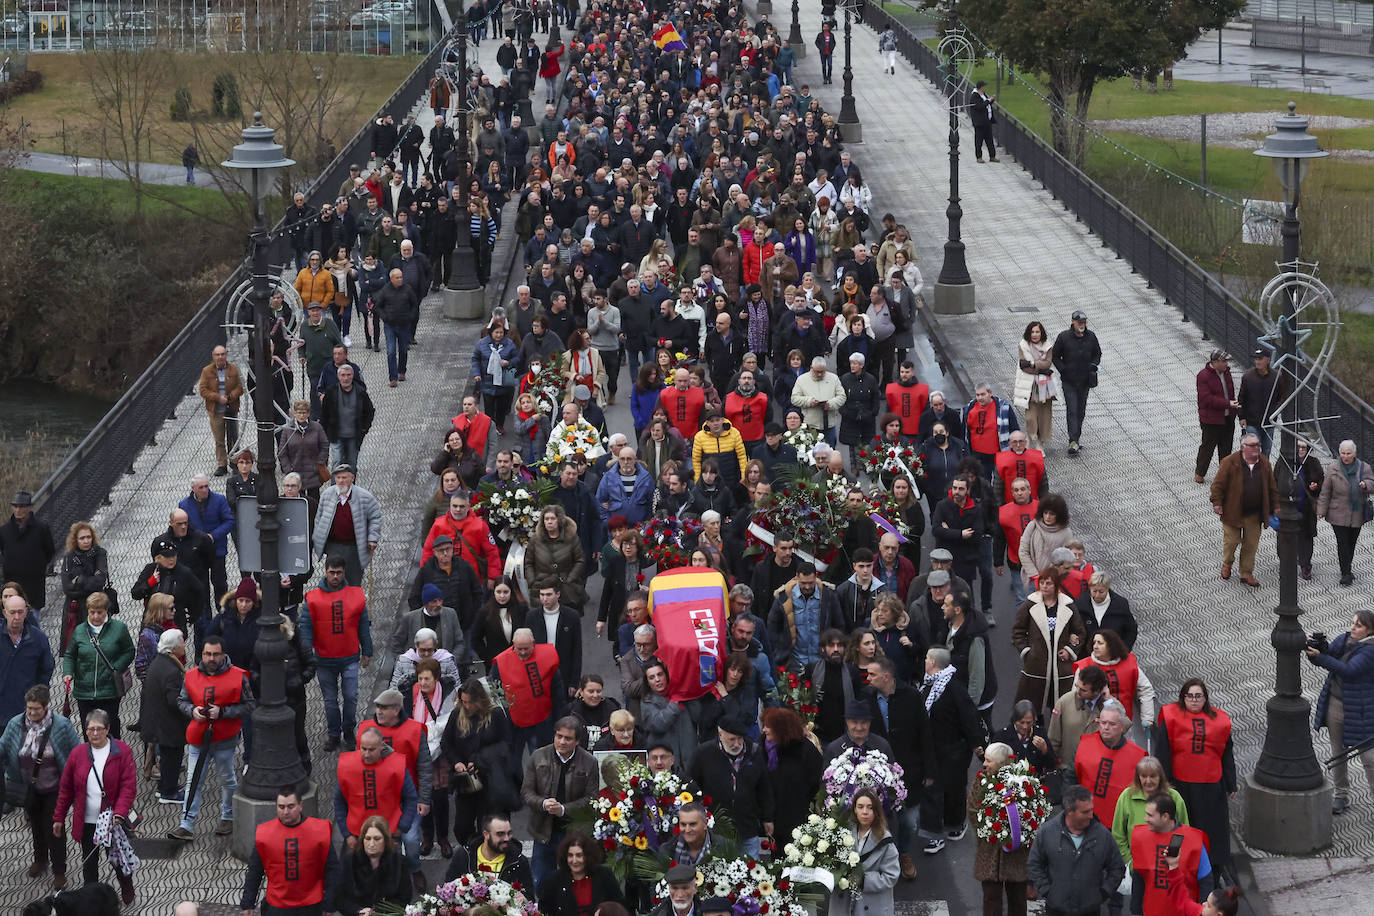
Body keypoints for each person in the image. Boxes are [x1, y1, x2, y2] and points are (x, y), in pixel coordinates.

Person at [168, 634, 253, 843]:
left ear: (224, 655)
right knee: (193, 781)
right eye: (207, 654)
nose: (211, 658)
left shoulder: (238, 676)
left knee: (227, 779)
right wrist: (192, 711)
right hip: (198, 737)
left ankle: (228, 817)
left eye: (215, 654)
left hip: (225, 739)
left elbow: (249, 705)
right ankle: (186, 825)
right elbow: (181, 701)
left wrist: (222, 712)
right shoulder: (190, 676)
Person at [52, 709, 137, 902]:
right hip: (87, 820)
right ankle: (91, 898)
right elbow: (66, 789)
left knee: (117, 858)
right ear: (85, 730)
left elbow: (128, 787)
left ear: (108, 729)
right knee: (89, 862)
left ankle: (126, 883)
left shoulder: (122, 751)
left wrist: (119, 813)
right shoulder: (77, 754)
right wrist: (59, 817)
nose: (95, 733)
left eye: (99, 729)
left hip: (110, 820)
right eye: (91, 729)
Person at [1154, 679, 1236, 878]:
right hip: (1181, 786)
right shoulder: (1171, 717)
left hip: (1211, 786)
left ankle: (1213, 870)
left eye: (1198, 696)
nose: (1194, 700)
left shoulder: (1221, 720)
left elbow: (1226, 753)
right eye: (1189, 696)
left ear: (1205, 698)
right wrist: (1165, 781)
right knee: (1180, 828)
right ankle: (1176, 867)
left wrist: (1231, 783)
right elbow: (1163, 751)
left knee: (1212, 831)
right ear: (1183, 697)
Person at [0, 684, 79, 889]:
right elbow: (4, 747)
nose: (32, 713)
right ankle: (40, 859)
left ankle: (59, 871)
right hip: (28, 787)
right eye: (29, 708)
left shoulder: (61, 725)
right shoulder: (15, 724)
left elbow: (77, 752)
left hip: (55, 787)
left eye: (36, 709)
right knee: (35, 825)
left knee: (55, 828)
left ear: (46, 706)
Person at [358, 688, 432, 892]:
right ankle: (396, 877)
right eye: (377, 707)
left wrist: (424, 799)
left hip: (409, 798)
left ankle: (415, 868)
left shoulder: (415, 730)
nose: (379, 711)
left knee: (411, 839)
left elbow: (424, 767)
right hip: (380, 799)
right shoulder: (365, 729)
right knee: (387, 841)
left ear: (397, 709)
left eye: (384, 708)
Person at [301, 555, 374, 751]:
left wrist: (367, 650)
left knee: (351, 696)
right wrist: (306, 654)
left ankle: (348, 730)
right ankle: (334, 733)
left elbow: (363, 626)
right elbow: (305, 628)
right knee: (330, 701)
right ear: (325, 572)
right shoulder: (312, 598)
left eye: (338, 573)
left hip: (349, 657)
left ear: (344, 573)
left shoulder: (356, 595)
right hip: (324, 659)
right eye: (331, 572)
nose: (335, 576)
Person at [1307, 609, 1374, 815]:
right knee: (1338, 753)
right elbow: (1327, 656)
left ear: (1370, 630)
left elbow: (1349, 671)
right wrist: (1318, 647)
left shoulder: (1370, 651)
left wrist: (1322, 658)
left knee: (1369, 758)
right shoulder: (1344, 639)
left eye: (1359, 625)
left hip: (1361, 710)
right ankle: (1341, 795)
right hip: (1335, 704)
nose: (1353, 627)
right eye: (1353, 623)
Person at [921, 646, 984, 853]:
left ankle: (955, 823)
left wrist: (976, 744)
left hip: (954, 751)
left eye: (927, 658)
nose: (924, 661)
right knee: (932, 790)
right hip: (932, 750)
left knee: (954, 789)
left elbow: (968, 718)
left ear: (933, 662)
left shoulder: (955, 689)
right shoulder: (928, 685)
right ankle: (934, 834)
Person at [441, 679, 519, 847]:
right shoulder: (457, 714)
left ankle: (484, 854)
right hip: (466, 780)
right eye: (464, 702)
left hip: (489, 779)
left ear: (480, 699)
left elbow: (506, 745)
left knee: (486, 824)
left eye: (470, 702)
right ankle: (471, 850)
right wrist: (456, 762)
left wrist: (479, 760)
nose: (467, 706)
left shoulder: (495, 715)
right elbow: (446, 743)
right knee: (462, 826)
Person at [241, 786, 340, 916]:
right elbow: (255, 871)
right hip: (277, 906)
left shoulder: (320, 831)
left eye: (291, 806)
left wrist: (330, 902)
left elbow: (332, 869)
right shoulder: (265, 834)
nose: (286, 812)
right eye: (281, 807)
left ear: (300, 806)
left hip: (311, 905)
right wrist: (248, 902)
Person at [1027, 784, 1125, 916]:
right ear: (1069, 811)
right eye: (1085, 812)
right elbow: (1034, 864)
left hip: (1090, 911)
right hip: (1056, 910)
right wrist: (1047, 891)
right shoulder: (1047, 832)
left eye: (1091, 810)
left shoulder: (1102, 835)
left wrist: (1103, 893)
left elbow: (1117, 867)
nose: (1091, 815)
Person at [524, 717, 597, 888]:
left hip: (574, 831)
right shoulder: (538, 756)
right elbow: (526, 792)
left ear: (577, 741)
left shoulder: (589, 762)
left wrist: (563, 809)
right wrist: (543, 803)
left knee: (575, 883)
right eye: (559, 736)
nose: (562, 741)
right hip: (543, 831)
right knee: (541, 882)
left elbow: (591, 799)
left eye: (568, 738)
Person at [692, 718, 775, 856]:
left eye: (740, 738)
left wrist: (768, 817)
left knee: (752, 865)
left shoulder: (754, 752)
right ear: (720, 735)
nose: (736, 744)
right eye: (731, 739)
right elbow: (692, 785)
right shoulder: (703, 753)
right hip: (717, 828)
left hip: (748, 826)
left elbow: (764, 788)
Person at [1208, 430, 1278, 588]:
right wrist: (1217, 502)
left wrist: (1275, 505)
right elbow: (1217, 485)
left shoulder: (1264, 463)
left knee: (1251, 544)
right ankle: (1227, 563)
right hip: (1233, 512)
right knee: (1231, 541)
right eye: (1252, 445)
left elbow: (1272, 486)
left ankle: (1246, 573)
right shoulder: (1229, 462)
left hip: (1254, 513)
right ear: (1242, 447)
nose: (1256, 448)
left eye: (1257, 445)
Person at [335, 725, 419, 853]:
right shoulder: (347, 767)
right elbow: (339, 801)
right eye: (364, 749)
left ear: (381, 746)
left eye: (372, 750)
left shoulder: (397, 766)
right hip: (357, 835)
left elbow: (411, 798)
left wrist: (402, 827)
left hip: (389, 834)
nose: (367, 754)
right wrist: (347, 834)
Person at [1011, 569, 1084, 715]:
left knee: (1060, 708)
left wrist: (1070, 650)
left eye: (1049, 583)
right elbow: (1018, 630)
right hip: (1036, 666)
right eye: (1042, 582)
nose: (1044, 586)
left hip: (1061, 667)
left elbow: (1080, 632)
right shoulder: (1030, 604)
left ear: (1056, 585)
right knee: (1033, 706)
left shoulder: (1068, 605)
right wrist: (1027, 652)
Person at [968, 743, 1029, 916]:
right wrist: (991, 829)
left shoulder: (1021, 782)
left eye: (989, 761)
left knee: (1018, 900)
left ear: (1002, 763)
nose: (984, 764)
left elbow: (1028, 813)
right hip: (989, 852)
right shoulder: (981, 780)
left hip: (1016, 853)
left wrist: (1012, 832)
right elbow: (972, 810)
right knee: (991, 899)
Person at [62, 592, 133, 739]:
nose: (95, 616)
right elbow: (70, 655)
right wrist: (68, 672)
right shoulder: (80, 630)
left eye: (99, 612)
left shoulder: (119, 629)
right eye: (92, 612)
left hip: (109, 691)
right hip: (84, 691)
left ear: (106, 611)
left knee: (110, 727)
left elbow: (129, 651)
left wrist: (116, 668)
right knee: (88, 729)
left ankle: (113, 752)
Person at [1129, 794, 1213, 916]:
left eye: (1150, 815)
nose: (1145, 819)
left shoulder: (1194, 841)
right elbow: (1139, 876)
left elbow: (1206, 881)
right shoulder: (1141, 838)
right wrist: (1136, 909)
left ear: (1165, 817)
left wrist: (1201, 912)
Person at [1072, 699, 1145, 829]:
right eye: (1103, 722)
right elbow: (1070, 778)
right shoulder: (1084, 744)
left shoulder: (1138, 756)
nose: (1106, 727)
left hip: (1120, 822)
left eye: (1112, 724)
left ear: (1122, 727)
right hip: (1085, 818)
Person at [1111, 756, 1191, 875]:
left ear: (1160, 776)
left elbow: (1183, 831)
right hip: (1137, 867)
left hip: (1167, 867)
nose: (1148, 781)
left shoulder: (1174, 797)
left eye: (1153, 776)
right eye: (1143, 776)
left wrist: (1172, 862)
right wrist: (1131, 863)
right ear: (1138, 777)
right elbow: (1118, 835)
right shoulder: (1126, 796)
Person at [139, 628, 189, 805]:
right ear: (174, 648)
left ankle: (164, 787)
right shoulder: (171, 670)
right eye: (182, 642)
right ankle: (169, 792)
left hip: (158, 720)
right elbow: (174, 700)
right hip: (169, 723)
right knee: (173, 757)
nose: (184, 645)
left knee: (167, 757)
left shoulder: (159, 662)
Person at [312, 464, 383, 588]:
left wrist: (372, 538)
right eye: (338, 477)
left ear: (352, 478)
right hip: (333, 547)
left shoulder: (365, 497)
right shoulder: (327, 494)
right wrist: (318, 538)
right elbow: (319, 518)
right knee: (334, 581)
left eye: (344, 478)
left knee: (353, 581)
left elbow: (375, 518)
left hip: (354, 547)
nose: (341, 481)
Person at [1316, 438, 1374, 586]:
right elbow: (1325, 491)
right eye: (1343, 453)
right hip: (1338, 512)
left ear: (1354, 453)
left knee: (1351, 542)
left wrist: (1365, 484)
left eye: (1348, 453)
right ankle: (1346, 573)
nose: (1345, 456)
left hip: (1357, 512)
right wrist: (1321, 510)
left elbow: (1372, 483)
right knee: (1342, 543)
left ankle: (1347, 567)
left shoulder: (1364, 467)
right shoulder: (1333, 468)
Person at [1074, 629, 1155, 729]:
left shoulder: (1129, 665)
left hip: (1123, 723)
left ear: (1111, 646)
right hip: (1092, 724)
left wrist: (1147, 718)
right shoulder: (1084, 666)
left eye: (1100, 643)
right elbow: (1075, 696)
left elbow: (1146, 690)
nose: (1095, 646)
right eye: (1094, 642)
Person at [336, 814, 413, 916]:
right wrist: (359, 911)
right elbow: (340, 897)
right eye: (368, 838)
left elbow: (405, 897)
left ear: (386, 840)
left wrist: (377, 913)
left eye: (377, 839)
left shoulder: (399, 862)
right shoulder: (348, 861)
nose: (371, 844)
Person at [537, 831, 626, 916]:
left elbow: (619, 906)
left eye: (579, 855)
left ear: (588, 856)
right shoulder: (554, 879)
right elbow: (544, 910)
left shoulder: (604, 875)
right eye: (570, 855)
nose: (574, 861)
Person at [1051, 309, 1101, 456]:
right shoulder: (1064, 337)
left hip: (1085, 381)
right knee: (1072, 410)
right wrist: (1063, 370)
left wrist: (1093, 365)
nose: (1082, 325)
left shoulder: (1091, 337)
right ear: (1073, 322)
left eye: (1084, 322)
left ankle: (1076, 438)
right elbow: (1055, 356)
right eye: (1079, 322)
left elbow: (1097, 354)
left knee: (1081, 410)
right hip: (1069, 382)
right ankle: (1073, 441)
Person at [59, 520, 114, 652]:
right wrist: (90, 582)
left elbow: (100, 581)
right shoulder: (69, 557)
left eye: (88, 537)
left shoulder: (100, 553)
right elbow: (67, 588)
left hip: (97, 606)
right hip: (75, 608)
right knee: (76, 648)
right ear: (75, 540)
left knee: (100, 647)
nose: (86, 541)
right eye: (82, 538)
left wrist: (79, 580)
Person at [846, 787, 900, 916]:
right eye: (860, 807)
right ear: (855, 809)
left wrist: (864, 880)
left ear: (876, 811)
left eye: (870, 808)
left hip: (873, 907)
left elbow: (891, 876)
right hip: (846, 904)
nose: (865, 812)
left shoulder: (885, 841)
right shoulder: (844, 832)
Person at [525, 507, 588, 613]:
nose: (549, 522)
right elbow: (528, 563)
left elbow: (580, 560)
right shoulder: (535, 540)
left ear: (559, 520)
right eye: (546, 519)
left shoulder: (571, 538)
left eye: (552, 518)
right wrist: (532, 581)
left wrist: (571, 579)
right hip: (542, 588)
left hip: (567, 589)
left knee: (569, 620)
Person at [1279, 436, 1324, 580]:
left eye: (1303, 447)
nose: (1300, 450)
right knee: (1285, 537)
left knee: (1306, 538)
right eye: (1298, 447)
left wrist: (1316, 486)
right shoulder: (1285, 461)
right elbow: (1275, 481)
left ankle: (1306, 565)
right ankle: (1286, 562)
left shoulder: (1313, 462)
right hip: (1287, 506)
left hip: (1306, 507)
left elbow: (1321, 481)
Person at [198, 346, 245, 476]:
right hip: (216, 410)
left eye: (222, 354)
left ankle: (235, 463)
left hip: (231, 408)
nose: (220, 357)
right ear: (213, 356)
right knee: (219, 439)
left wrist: (230, 397)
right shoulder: (206, 371)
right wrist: (217, 397)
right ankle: (222, 464)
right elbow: (203, 390)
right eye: (217, 355)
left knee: (233, 437)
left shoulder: (233, 369)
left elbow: (240, 387)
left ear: (226, 355)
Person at [1194, 349, 1238, 484]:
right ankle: (1200, 473)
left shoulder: (1227, 373)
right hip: (1211, 420)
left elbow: (1230, 393)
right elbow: (1207, 399)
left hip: (1227, 417)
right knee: (1208, 447)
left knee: (1226, 447)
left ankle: (1224, 474)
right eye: (1224, 361)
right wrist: (1227, 403)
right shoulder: (1203, 376)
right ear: (1215, 362)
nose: (1226, 364)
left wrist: (1233, 408)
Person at [1014, 322, 1055, 448]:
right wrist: (1040, 368)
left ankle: (1040, 442)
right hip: (1029, 386)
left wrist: (1032, 363)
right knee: (1030, 416)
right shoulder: (1023, 345)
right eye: (1032, 332)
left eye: (1037, 332)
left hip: (1045, 386)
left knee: (1044, 416)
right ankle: (1031, 436)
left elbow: (1048, 363)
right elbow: (1024, 366)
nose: (1035, 334)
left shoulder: (1047, 346)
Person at [968, 81, 998, 163]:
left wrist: (991, 100)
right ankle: (979, 157)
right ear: (981, 87)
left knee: (989, 140)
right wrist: (988, 101)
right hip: (980, 122)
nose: (985, 88)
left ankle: (992, 156)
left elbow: (987, 104)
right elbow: (979, 107)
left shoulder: (983, 94)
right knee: (979, 140)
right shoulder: (974, 96)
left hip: (987, 121)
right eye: (984, 86)